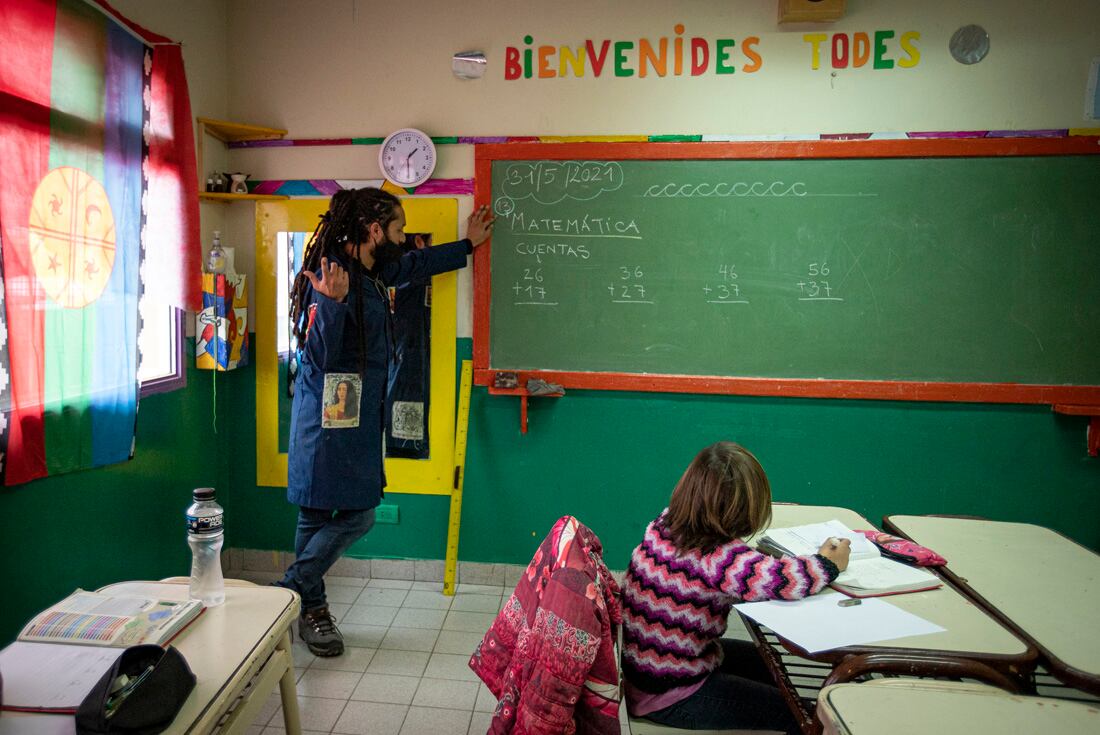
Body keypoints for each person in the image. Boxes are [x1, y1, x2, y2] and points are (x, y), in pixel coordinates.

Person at [274, 188, 494, 656]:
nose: (401, 237)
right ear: (375, 230)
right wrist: (331, 306)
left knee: (327, 514)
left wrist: (467, 246)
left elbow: (412, 267)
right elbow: (320, 357)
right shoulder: (333, 275)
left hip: (352, 417)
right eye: (396, 229)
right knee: (349, 513)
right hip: (325, 420)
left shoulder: (371, 272)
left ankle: (302, 604)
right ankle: (297, 594)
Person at [620, 441, 851, 733]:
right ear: (746, 510)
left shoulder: (665, 523)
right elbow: (785, 580)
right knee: (797, 715)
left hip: (648, 669)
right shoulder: (720, 557)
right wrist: (829, 563)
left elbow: (751, 570)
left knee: (767, 665)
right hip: (672, 694)